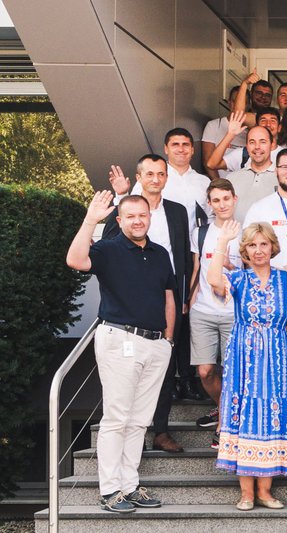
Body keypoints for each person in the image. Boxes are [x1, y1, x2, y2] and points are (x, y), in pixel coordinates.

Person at [66, 192, 175, 514]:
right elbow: (75, 260)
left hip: (156, 344)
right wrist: (90, 219)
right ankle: (110, 490)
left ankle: (129, 485)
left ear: (149, 217)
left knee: (140, 421)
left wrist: (168, 340)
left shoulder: (159, 253)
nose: (137, 221)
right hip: (120, 339)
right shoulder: (108, 248)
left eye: (142, 215)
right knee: (117, 418)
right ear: (120, 220)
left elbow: (168, 296)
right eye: (131, 216)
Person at [206, 221, 287, 510]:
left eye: (263, 244)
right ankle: (246, 493)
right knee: (244, 415)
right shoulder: (238, 279)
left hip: (278, 356)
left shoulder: (286, 280)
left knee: (274, 415)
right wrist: (222, 242)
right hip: (243, 356)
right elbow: (214, 280)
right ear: (245, 250)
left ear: (273, 247)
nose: (259, 250)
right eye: (252, 245)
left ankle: (265, 491)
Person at [104, 155, 192, 453]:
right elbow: (108, 241)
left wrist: (183, 296)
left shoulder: (177, 211)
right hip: (130, 301)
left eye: (161, 174)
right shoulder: (128, 209)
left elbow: (183, 256)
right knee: (129, 373)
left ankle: (161, 431)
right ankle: (132, 435)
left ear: (167, 177)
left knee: (164, 365)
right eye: (150, 174)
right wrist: (120, 197)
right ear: (139, 177)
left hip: (167, 297)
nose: (156, 179)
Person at [188, 180, 240, 440]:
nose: (222, 204)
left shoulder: (246, 232)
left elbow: (254, 273)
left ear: (235, 199)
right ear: (209, 204)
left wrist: (231, 266)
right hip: (203, 311)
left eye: (226, 198)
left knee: (232, 371)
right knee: (205, 371)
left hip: (234, 313)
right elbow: (197, 270)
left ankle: (226, 422)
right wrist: (190, 302)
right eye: (216, 200)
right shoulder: (200, 233)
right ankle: (224, 409)